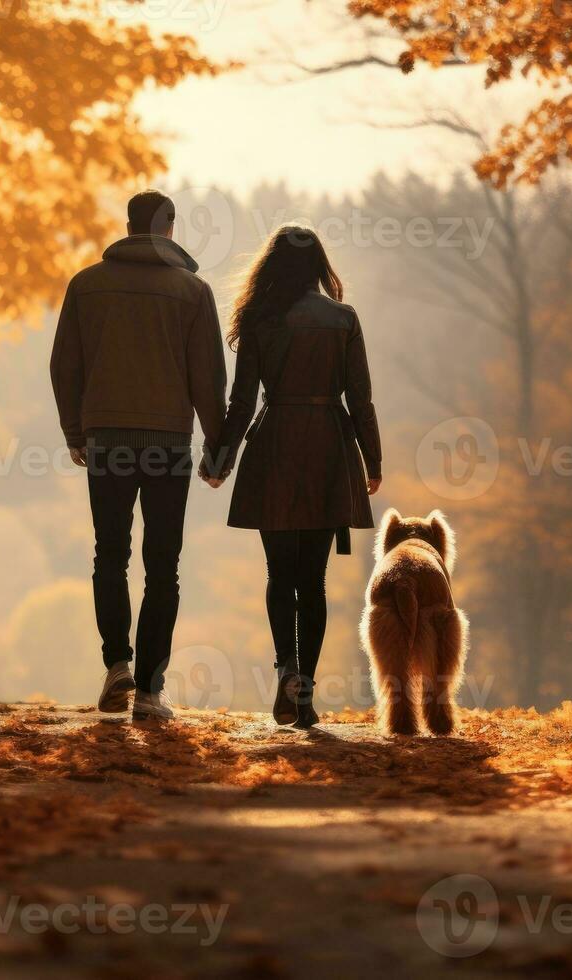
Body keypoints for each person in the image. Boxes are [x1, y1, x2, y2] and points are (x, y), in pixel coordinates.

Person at [50, 190, 227, 722]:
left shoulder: (86, 285)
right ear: (170, 229)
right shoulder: (193, 291)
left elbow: (64, 366)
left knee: (110, 555)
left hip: (106, 441)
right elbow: (209, 380)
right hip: (168, 445)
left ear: (127, 225)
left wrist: (75, 431)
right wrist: (217, 449)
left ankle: (116, 666)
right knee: (163, 567)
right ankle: (150, 692)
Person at [204, 225, 383, 729]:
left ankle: (285, 665)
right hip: (329, 446)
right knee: (314, 580)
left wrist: (221, 459)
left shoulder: (260, 320)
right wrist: (373, 460)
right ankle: (303, 691)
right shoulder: (343, 319)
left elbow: (240, 403)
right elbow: (360, 398)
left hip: (276, 444)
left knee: (279, 574)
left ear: (273, 266)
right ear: (318, 265)